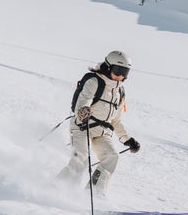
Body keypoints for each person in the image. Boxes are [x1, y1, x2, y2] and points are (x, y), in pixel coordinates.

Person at [59, 50, 141, 194]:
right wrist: (83, 111)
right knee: (81, 160)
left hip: (103, 132)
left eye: (125, 72)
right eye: (118, 70)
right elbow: (83, 100)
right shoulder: (94, 81)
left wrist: (127, 139)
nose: (121, 75)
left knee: (112, 156)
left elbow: (115, 120)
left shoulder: (120, 92)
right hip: (82, 127)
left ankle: (95, 193)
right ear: (108, 67)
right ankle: (58, 189)